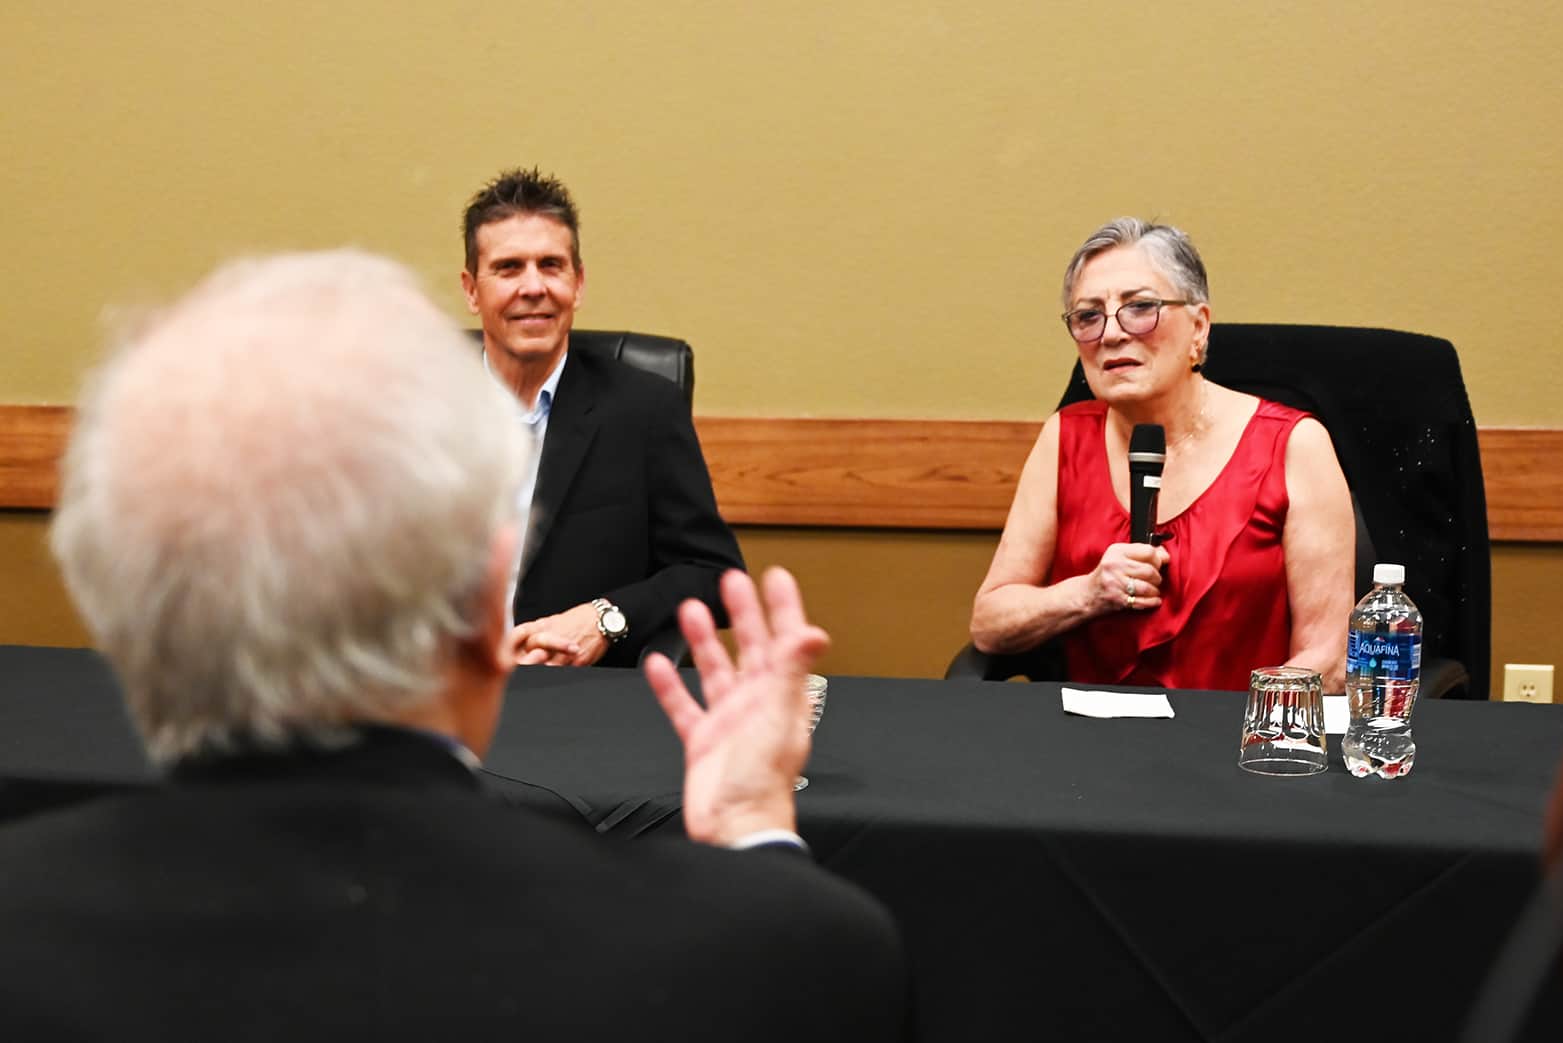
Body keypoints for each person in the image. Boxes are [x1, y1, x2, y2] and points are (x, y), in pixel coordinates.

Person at [0, 251, 906, 1041]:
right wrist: (755, 835)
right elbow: (812, 959)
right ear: (483, 609)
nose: (532, 288)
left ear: (115, 616)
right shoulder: (764, 951)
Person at [970, 218, 1353, 692]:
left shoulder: (1295, 444)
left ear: (1199, 326)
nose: (1111, 334)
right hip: (1089, 741)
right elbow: (990, 623)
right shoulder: (1064, 436)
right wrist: (1086, 594)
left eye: (1140, 307)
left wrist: (1243, 742)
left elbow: (1327, 659)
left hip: (1240, 743)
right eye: (1089, 316)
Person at [461, 168, 744, 668]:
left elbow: (715, 576)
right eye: (508, 268)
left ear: (578, 282)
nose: (534, 287)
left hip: (575, 701)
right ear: (471, 290)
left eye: (551, 265)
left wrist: (607, 618)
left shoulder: (644, 410)